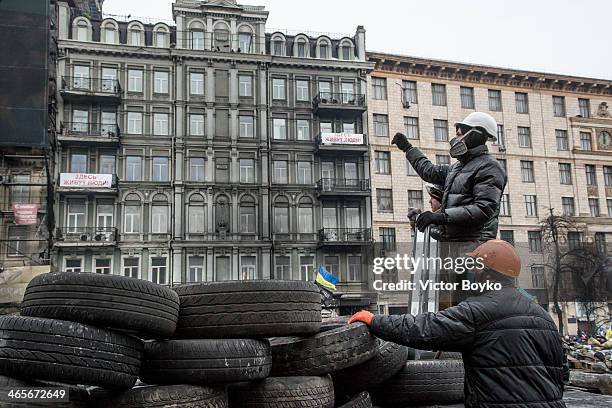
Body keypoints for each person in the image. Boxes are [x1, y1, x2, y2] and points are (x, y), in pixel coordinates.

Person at [349, 240, 566, 408]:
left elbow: (425, 328)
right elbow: (561, 373)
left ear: (483, 272)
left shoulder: (478, 310)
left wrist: (374, 320)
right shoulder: (543, 316)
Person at [392, 112, 506, 242]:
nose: (456, 139)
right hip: (454, 244)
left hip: (475, 245)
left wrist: (441, 217)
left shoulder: (489, 167)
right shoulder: (457, 168)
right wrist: (408, 148)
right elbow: (429, 171)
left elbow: (482, 209)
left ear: (475, 135)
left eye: (459, 134)